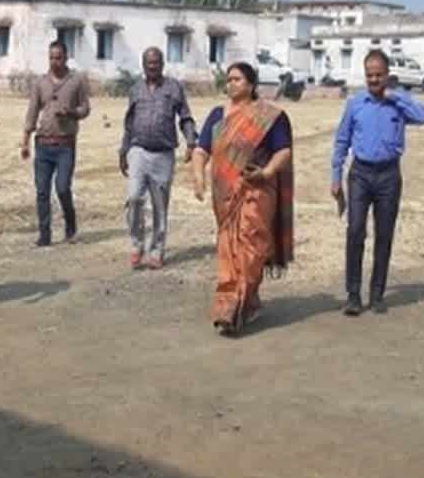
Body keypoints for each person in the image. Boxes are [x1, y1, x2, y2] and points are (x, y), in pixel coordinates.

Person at [192, 62, 294, 336]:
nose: (231, 84)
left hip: (257, 190)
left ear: (251, 84)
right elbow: (201, 150)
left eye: (236, 79)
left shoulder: (267, 116)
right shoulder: (217, 115)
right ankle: (243, 301)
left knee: (251, 248)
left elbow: (283, 150)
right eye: (228, 80)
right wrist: (198, 176)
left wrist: (267, 172)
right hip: (225, 195)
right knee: (228, 250)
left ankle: (234, 307)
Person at [331, 48, 424, 316]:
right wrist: (336, 176)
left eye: (378, 75)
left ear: (387, 75)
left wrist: (394, 96)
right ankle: (353, 295)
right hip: (360, 175)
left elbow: (422, 116)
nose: (373, 80)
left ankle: (377, 295)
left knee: (384, 235)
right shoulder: (355, 104)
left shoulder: (398, 103)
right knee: (355, 231)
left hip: (389, 176)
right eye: (369, 75)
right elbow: (341, 141)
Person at [119, 46, 197, 269]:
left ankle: (157, 250)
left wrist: (191, 141)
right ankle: (136, 245)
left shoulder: (173, 88)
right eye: (148, 63)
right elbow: (129, 124)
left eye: (156, 62)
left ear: (162, 64)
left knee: (160, 205)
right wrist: (123, 151)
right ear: (143, 65)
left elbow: (185, 117)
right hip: (138, 151)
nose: (152, 66)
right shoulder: (135, 89)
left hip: (163, 154)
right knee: (134, 198)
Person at [21, 40, 91, 246]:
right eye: (51, 57)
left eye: (58, 57)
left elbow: (85, 108)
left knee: (62, 188)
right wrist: (25, 141)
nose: (54, 61)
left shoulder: (76, 81)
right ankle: (44, 235)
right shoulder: (40, 83)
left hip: (65, 146)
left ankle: (70, 227)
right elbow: (32, 112)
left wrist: (71, 112)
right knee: (42, 191)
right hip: (43, 145)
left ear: (66, 57)